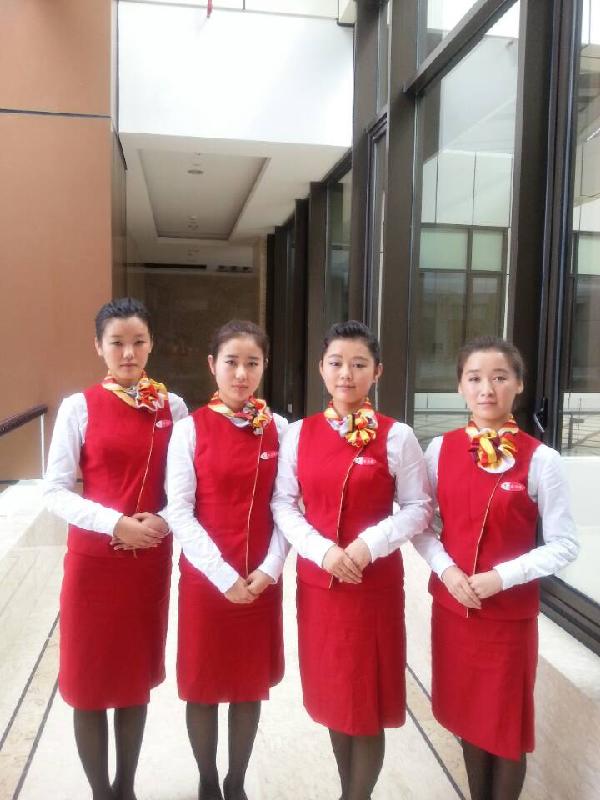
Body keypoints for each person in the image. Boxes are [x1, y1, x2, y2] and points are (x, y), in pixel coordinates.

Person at [412, 335, 579, 800]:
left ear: (519, 384)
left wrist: (501, 577)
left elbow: (565, 544)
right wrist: (448, 571)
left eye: (500, 377)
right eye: (475, 378)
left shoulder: (542, 460)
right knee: (468, 719)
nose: (487, 388)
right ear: (460, 387)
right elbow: (421, 526)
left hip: (508, 620)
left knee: (505, 728)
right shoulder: (439, 450)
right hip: (454, 611)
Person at [272, 320, 432, 800]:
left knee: (366, 703)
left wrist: (369, 544)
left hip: (372, 588)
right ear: (321, 368)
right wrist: (322, 551)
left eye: (359, 364)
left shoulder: (397, 437)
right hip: (319, 586)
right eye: (337, 363)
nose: (347, 373)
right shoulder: (298, 435)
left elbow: (419, 507)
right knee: (335, 698)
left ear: (377, 372)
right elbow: (283, 503)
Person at [43, 297, 188, 800]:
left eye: (138, 342)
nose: (128, 353)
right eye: (117, 343)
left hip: (147, 562)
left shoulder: (173, 408)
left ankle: (126, 788)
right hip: (94, 565)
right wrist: (114, 523)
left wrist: (163, 520)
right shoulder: (78, 407)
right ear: (98, 347)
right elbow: (55, 490)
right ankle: (101, 793)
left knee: (132, 680)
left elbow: (186, 489)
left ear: (151, 345)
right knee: (87, 684)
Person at [166, 320, 288, 800]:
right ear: (212, 365)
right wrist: (222, 575)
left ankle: (236, 782)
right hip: (205, 581)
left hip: (260, 581)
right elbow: (180, 510)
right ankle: (207, 781)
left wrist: (269, 569)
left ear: (264, 366)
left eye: (252, 363)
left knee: (247, 685)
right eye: (231, 362)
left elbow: (287, 507)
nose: (241, 373)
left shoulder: (279, 429)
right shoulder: (188, 430)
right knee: (202, 685)